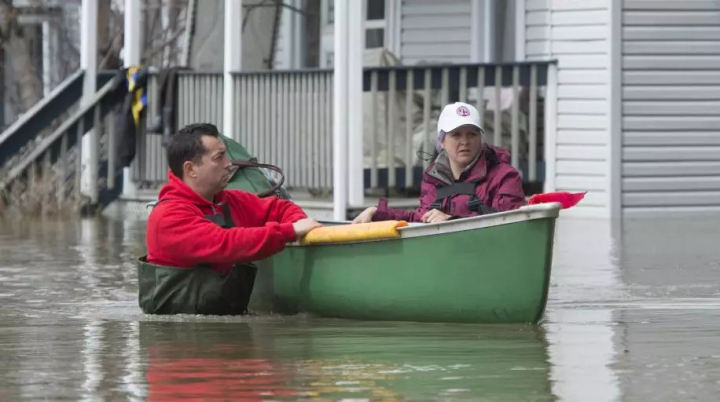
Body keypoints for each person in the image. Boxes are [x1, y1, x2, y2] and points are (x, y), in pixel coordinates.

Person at [138, 123, 322, 316]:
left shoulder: (231, 201)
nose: (229, 163)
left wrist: (298, 223)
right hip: (179, 340)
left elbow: (281, 207)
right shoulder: (168, 216)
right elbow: (225, 242)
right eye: (219, 158)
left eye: (226, 155)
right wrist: (289, 231)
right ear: (191, 169)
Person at [353, 102, 526, 224]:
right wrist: (377, 213)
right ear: (442, 141)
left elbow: (511, 224)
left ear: (481, 139)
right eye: (456, 135)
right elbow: (420, 219)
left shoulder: (505, 176)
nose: (465, 141)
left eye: (472, 134)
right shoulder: (433, 179)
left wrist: (451, 221)